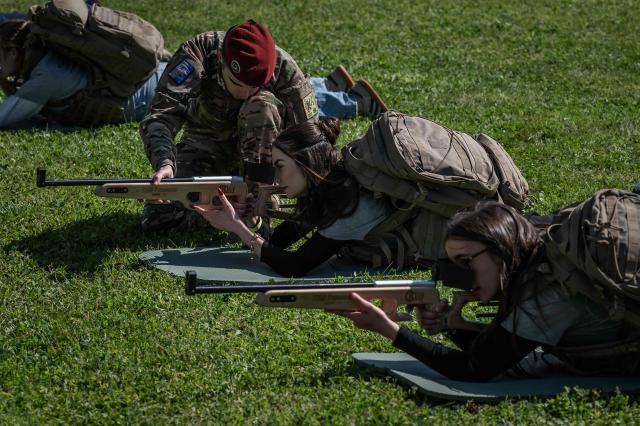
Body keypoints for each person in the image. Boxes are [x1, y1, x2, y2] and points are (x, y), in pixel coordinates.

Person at [328, 202, 640, 381]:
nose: (460, 276)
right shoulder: (539, 259)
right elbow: (504, 347)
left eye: (466, 261)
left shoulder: (551, 291)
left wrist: (389, 329)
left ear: (500, 250)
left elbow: (476, 368)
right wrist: (450, 326)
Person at [140, 20, 387, 233]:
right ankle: (227, 211)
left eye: (255, 84)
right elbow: (161, 115)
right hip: (204, 145)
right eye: (237, 83)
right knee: (158, 216)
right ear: (221, 61)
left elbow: (310, 139)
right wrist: (165, 162)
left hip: (265, 154)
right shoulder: (199, 53)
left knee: (262, 106)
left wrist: (316, 188)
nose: (245, 92)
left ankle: (258, 198)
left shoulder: (285, 69)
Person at [191, 117, 395, 277]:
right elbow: (278, 242)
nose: (276, 178)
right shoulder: (326, 188)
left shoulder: (350, 204)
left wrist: (237, 228)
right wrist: (250, 221)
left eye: (280, 167)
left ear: (306, 164)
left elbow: (294, 266)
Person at [0, 19, 168, 129]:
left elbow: (4, 117)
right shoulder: (48, 55)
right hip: (157, 76)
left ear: (13, 53)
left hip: (156, 94)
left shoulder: (45, 77)